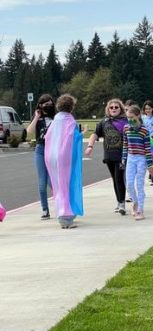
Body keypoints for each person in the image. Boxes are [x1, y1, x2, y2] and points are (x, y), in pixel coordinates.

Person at [44, 94, 83, 229]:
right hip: (64, 156)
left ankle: (64, 213)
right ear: (71, 107)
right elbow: (72, 137)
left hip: (51, 156)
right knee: (66, 184)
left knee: (58, 185)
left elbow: (47, 137)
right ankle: (65, 217)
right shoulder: (69, 121)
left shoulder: (55, 121)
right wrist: (81, 133)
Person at [85, 98, 127, 215]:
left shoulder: (125, 121)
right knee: (114, 179)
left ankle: (122, 203)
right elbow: (95, 134)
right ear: (108, 109)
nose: (113, 109)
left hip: (121, 155)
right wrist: (90, 146)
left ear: (120, 109)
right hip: (109, 155)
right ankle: (119, 202)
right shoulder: (104, 122)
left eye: (116, 107)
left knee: (119, 178)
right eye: (111, 107)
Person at [121, 105, 153, 221]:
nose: (130, 120)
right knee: (129, 184)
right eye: (128, 117)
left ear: (138, 116)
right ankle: (135, 202)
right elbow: (125, 144)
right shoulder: (126, 128)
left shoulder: (144, 130)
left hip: (141, 159)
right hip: (130, 158)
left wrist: (150, 164)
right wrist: (123, 159)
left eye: (132, 117)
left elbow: (147, 149)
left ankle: (140, 209)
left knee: (139, 184)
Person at [26, 94, 56, 220]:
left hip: (52, 150)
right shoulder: (37, 118)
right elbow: (29, 131)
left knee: (52, 181)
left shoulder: (55, 117)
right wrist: (37, 116)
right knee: (41, 183)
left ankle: (61, 204)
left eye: (50, 103)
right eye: (45, 104)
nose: (48, 106)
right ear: (40, 105)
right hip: (40, 149)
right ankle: (45, 209)